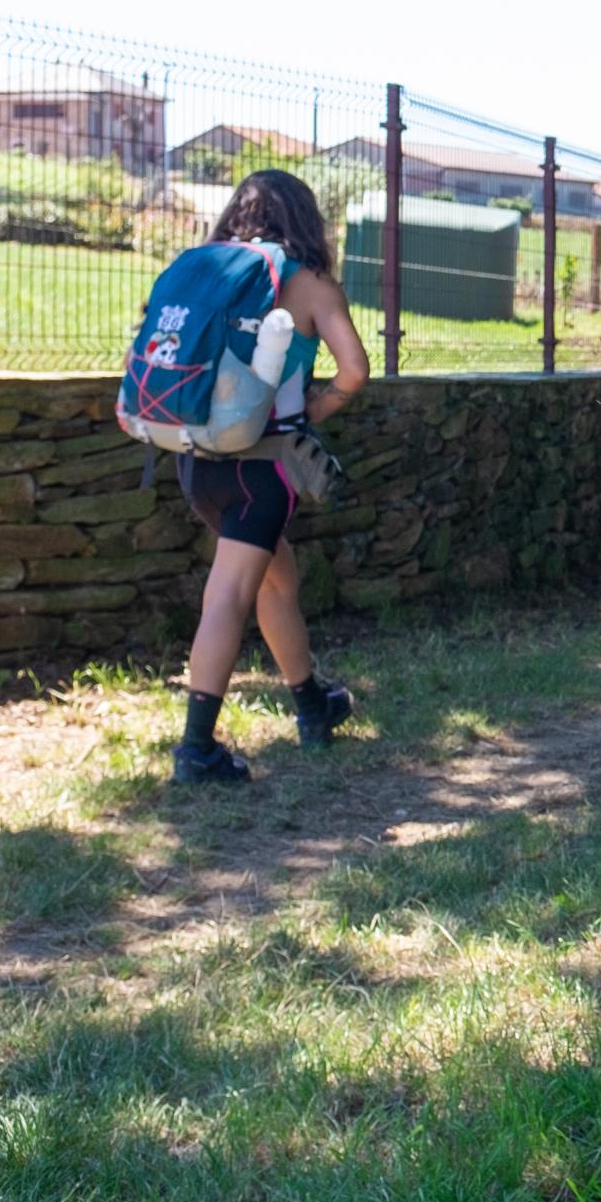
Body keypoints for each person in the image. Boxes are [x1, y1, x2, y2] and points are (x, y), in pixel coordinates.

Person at [167, 170, 372, 783]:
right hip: (262, 468)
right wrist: (319, 407)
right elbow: (355, 370)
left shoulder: (205, 267)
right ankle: (196, 751)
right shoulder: (309, 285)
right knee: (229, 595)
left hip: (193, 462)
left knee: (275, 582)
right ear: (304, 219)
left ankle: (313, 705)